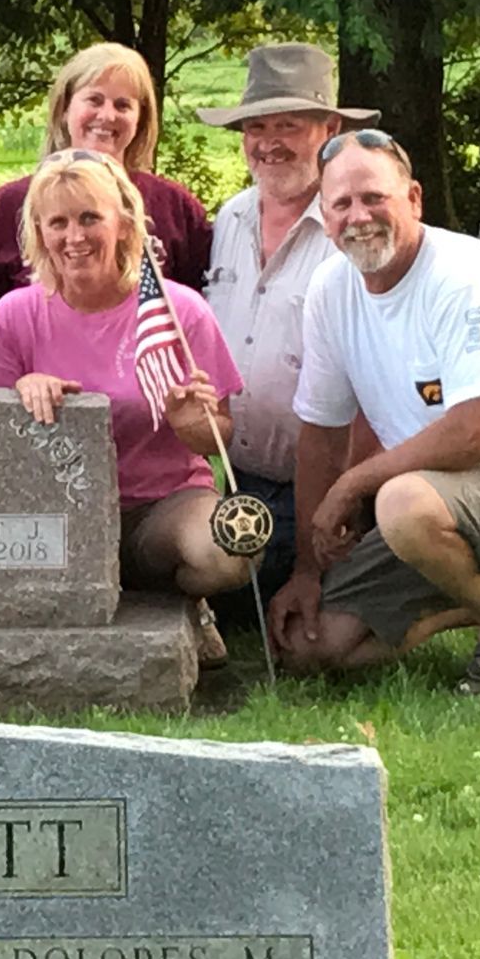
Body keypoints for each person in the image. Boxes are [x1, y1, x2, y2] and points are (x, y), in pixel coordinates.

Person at [269, 131, 480, 704]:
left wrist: (356, 484)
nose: (359, 217)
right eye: (341, 204)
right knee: (312, 646)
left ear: (415, 199)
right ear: (324, 216)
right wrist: (308, 569)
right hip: (444, 505)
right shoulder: (331, 290)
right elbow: (321, 436)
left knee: (400, 503)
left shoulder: (462, 274)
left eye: (374, 198)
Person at [0, 151, 250, 618]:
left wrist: (190, 425)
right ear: (39, 233)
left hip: (161, 505)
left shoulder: (178, 311)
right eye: (57, 223)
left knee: (228, 551)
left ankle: (180, 609)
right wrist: (21, 388)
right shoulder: (16, 313)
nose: (74, 237)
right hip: (54, 510)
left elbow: (219, 436)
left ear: (123, 224)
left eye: (89, 218)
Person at [196, 43, 379, 607]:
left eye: (288, 125)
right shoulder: (230, 217)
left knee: (272, 609)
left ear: (327, 129)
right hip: (239, 481)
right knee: (200, 578)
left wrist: (348, 498)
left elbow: (377, 379)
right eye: (257, 126)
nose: (269, 143)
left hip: (330, 486)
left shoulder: (352, 230)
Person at [0, 43, 212, 348]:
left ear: (141, 118)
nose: (107, 115)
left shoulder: (174, 207)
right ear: (64, 109)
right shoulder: (12, 203)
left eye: (123, 105)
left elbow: (201, 313)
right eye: (94, 100)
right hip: (35, 388)